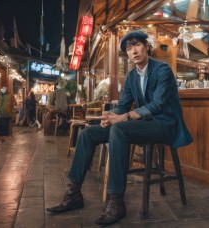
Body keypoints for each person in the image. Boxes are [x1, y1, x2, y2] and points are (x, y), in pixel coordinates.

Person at [46, 30, 193, 225]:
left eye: (137, 45)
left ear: (147, 46)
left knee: (120, 129)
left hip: (165, 125)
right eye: (128, 48)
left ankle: (116, 202)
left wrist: (126, 117)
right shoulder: (132, 76)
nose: (133, 51)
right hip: (144, 124)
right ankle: (73, 195)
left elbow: (157, 104)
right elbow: (123, 105)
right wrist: (110, 117)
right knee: (88, 133)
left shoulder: (162, 70)